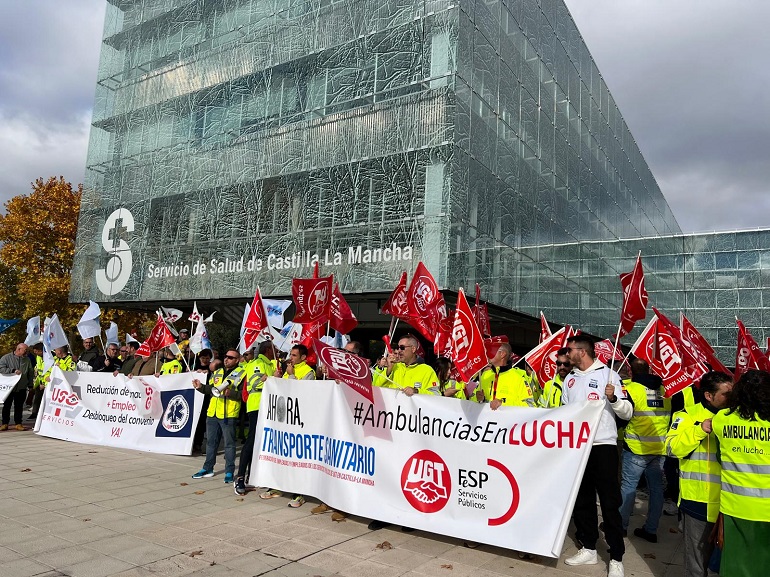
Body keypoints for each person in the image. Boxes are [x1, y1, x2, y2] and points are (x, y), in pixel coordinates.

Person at [561, 335, 632, 577]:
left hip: (603, 446)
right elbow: (565, 413)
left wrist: (613, 398)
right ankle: (588, 546)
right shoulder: (569, 379)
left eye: (569, 350)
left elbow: (628, 411)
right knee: (582, 500)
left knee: (610, 503)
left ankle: (616, 557)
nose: (566, 354)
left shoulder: (608, 374)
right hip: (578, 448)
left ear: (582, 351)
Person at [665, 371, 732, 577]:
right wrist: (700, 430)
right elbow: (671, 449)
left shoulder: (737, 416)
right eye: (726, 394)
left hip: (730, 502)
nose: (732, 398)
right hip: (697, 502)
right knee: (696, 565)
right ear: (708, 396)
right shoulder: (686, 415)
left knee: (724, 566)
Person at [712, 369, 770, 577]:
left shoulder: (722, 420)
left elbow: (720, 456)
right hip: (766, 510)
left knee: (736, 565)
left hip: (735, 506)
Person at [619, 358, 670, 542]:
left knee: (628, 487)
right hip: (658, 448)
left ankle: (621, 527)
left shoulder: (632, 390)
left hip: (636, 448)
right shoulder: (664, 389)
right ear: (648, 369)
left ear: (631, 371)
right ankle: (651, 530)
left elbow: (623, 416)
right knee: (656, 490)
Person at [261, 344, 316, 507]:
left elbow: (302, 394)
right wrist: (273, 379)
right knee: (281, 456)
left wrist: (291, 376)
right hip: (283, 420)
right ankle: (278, 487)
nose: (290, 358)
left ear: (303, 357)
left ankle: (299, 493)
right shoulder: (286, 370)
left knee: (297, 459)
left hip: (299, 423)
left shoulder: (308, 372)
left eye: (294, 355)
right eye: (290, 355)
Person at [191, 349, 247, 483]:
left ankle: (229, 471)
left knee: (229, 444)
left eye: (231, 358)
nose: (227, 359)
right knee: (210, 443)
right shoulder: (218, 372)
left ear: (237, 360)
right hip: (213, 413)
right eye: (225, 356)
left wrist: (231, 394)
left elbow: (244, 395)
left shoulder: (242, 373)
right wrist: (200, 387)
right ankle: (208, 468)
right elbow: (210, 389)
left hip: (229, 414)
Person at [234, 342, 276, 496]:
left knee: (261, 442)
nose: (276, 352)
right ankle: (239, 478)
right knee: (252, 440)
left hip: (268, 406)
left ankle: (253, 476)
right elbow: (258, 383)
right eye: (274, 350)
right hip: (257, 404)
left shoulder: (269, 363)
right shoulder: (258, 363)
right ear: (267, 350)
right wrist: (272, 378)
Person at [373, 334, 439, 396]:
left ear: (413, 349)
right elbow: (375, 388)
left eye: (402, 347)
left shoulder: (427, 370)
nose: (399, 351)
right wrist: (388, 370)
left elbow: (436, 395)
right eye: (398, 347)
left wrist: (417, 391)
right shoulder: (393, 366)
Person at [477, 342, 535, 409]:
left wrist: (503, 403)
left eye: (492, 350)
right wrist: (480, 399)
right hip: (486, 419)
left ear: (502, 354)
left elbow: (530, 405)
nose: (487, 353)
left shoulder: (518, 377)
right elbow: (471, 401)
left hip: (508, 419)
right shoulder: (485, 375)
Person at [0, 343, 34, 431]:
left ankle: (18, 423)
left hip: (22, 387)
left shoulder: (27, 360)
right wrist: (12, 371)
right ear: (18, 349)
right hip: (9, 387)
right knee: (7, 406)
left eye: (27, 350)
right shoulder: (6, 358)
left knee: (19, 406)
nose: (26, 352)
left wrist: (30, 385)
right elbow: (1, 368)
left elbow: (30, 372)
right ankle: (4, 423)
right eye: (25, 350)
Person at [28, 343, 46, 421]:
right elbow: (38, 367)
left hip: (46, 382)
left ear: (41, 351)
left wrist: (45, 383)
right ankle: (35, 413)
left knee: (45, 399)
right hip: (39, 381)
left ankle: (42, 415)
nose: (35, 353)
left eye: (36, 351)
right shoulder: (38, 357)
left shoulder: (49, 358)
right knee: (37, 398)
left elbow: (49, 371)